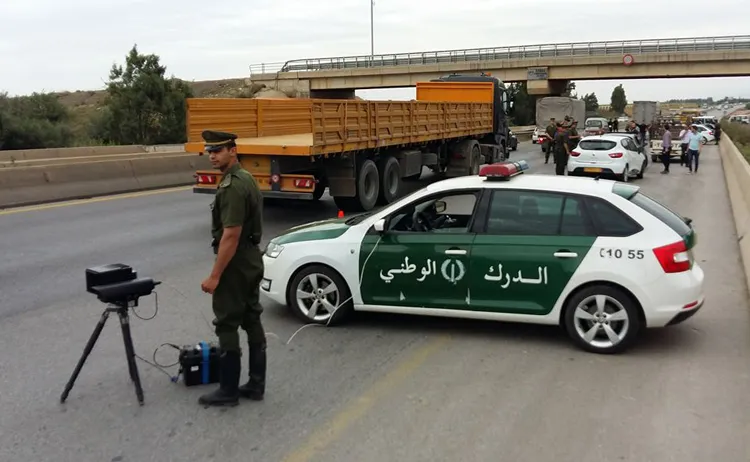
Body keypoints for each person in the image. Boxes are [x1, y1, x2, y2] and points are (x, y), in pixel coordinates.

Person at [199, 130, 267, 407]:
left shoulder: (232, 187)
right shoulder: (246, 178)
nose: (213, 156)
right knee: (251, 317)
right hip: (251, 258)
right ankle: (256, 384)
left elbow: (231, 234)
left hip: (236, 262)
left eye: (218, 150)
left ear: (232, 151)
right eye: (210, 151)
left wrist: (215, 275)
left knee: (227, 321)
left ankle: (228, 391)